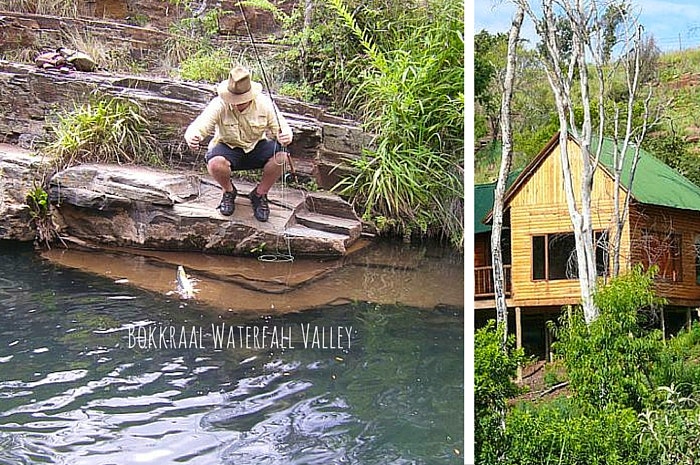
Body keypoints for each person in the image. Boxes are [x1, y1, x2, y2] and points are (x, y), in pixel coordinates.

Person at [184, 65, 293, 221]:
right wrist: (193, 136)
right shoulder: (219, 104)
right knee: (215, 163)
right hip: (227, 146)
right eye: (233, 99)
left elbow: (282, 128)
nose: (235, 103)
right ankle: (228, 191)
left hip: (256, 146)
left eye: (240, 100)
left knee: (283, 157)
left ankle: (259, 194)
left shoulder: (265, 103)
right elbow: (199, 125)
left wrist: (286, 136)